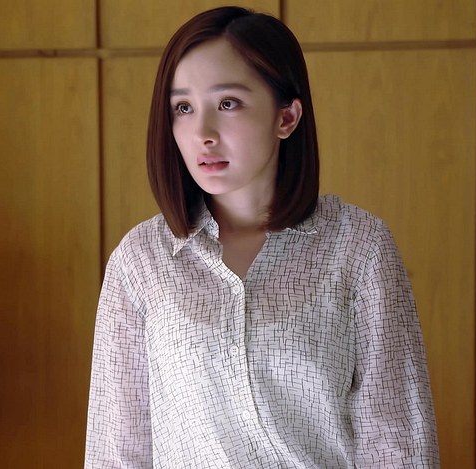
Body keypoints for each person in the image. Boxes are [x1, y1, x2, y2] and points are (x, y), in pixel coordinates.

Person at [85, 6, 439, 468]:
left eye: (228, 103)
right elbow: (117, 449)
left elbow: (397, 440)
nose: (202, 133)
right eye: (183, 108)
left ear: (286, 117)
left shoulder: (358, 247)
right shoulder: (141, 260)